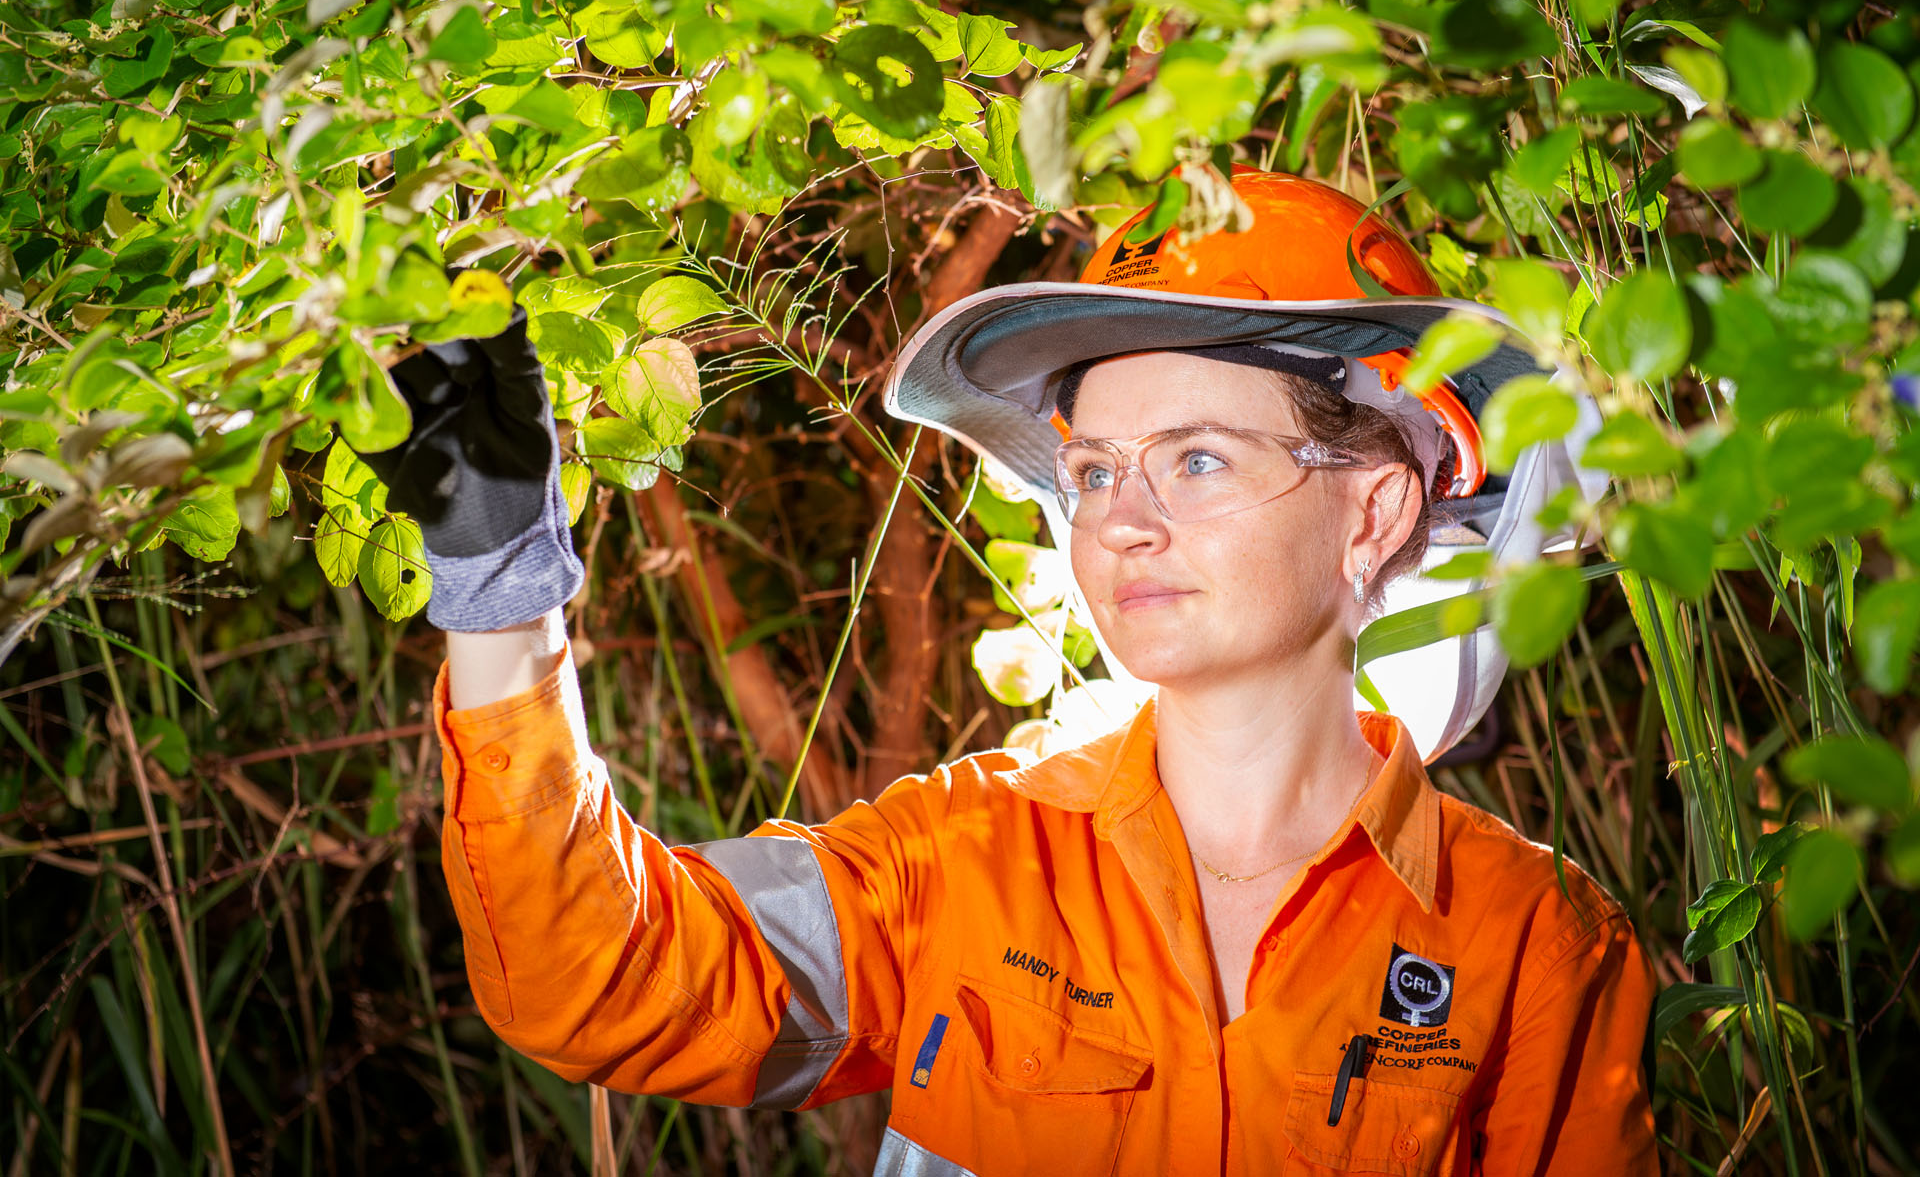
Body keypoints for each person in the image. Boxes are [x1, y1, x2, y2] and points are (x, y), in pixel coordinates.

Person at [366, 170, 1658, 1175]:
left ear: (1373, 515)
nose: (1124, 520)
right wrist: (498, 593)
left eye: (1197, 459)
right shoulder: (959, 863)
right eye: (1095, 470)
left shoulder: (1533, 945)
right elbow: (599, 973)